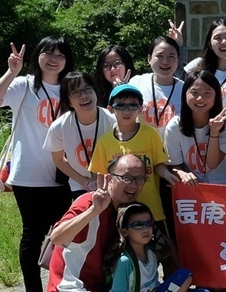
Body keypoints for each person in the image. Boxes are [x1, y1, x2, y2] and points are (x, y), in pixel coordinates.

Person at [0, 36, 75, 292]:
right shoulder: (24, 85)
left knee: (64, 234)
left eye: (60, 55)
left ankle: (60, 285)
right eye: (48, 53)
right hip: (28, 175)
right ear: (37, 56)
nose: (54, 59)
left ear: (67, 61)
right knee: (33, 235)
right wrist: (11, 72)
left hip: (65, 174)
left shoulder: (72, 88)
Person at [89, 83, 184, 254]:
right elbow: (101, 175)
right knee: (123, 258)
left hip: (151, 208)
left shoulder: (150, 134)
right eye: (121, 105)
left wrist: (168, 176)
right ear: (111, 109)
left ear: (140, 109)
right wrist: (101, 203)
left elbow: (158, 165)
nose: (127, 111)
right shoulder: (104, 141)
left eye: (132, 105)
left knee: (163, 255)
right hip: (120, 213)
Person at [46, 152, 146, 292]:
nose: (134, 185)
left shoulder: (130, 211)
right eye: (127, 178)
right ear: (110, 178)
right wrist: (94, 210)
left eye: (140, 179)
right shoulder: (90, 202)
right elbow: (56, 238)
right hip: (71, 287)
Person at [164, 70, 226, 186]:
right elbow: (174, 165)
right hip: (195, 189)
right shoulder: (175, 126)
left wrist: (214, 131)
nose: (200, 98)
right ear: (185, 94)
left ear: (217, 96)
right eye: (194, 93)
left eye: (207, 93)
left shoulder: (224, 123)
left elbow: (212, 163)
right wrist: (181, 173)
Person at [47, 71, 116, 195]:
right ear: (68, 102)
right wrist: (85, 182)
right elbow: (59, 160)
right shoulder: (59, 126)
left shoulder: (113, 121)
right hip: (79, 186)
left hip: (111, 183)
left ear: (95, 92)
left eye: (87, 89)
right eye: (75, 93)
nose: (83, 96)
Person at [109, 202, 193, 292]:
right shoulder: (125, 262)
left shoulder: (152, 250)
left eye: (149, 223)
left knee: (185, 275)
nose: (145, 229)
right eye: (138, 225)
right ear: (125, 231)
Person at [184, 19, 226, 99]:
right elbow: (175, 80)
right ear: (209, 44)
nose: (224, 42)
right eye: (218, 38)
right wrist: (178, 45)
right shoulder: (197, 65)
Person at [135, 36, 183, 132]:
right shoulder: (137, 83)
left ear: (178, 60)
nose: (165, 62)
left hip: (172, 146)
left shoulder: (185, 90)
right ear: (149, 59)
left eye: (171, 56)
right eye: (160, 56)